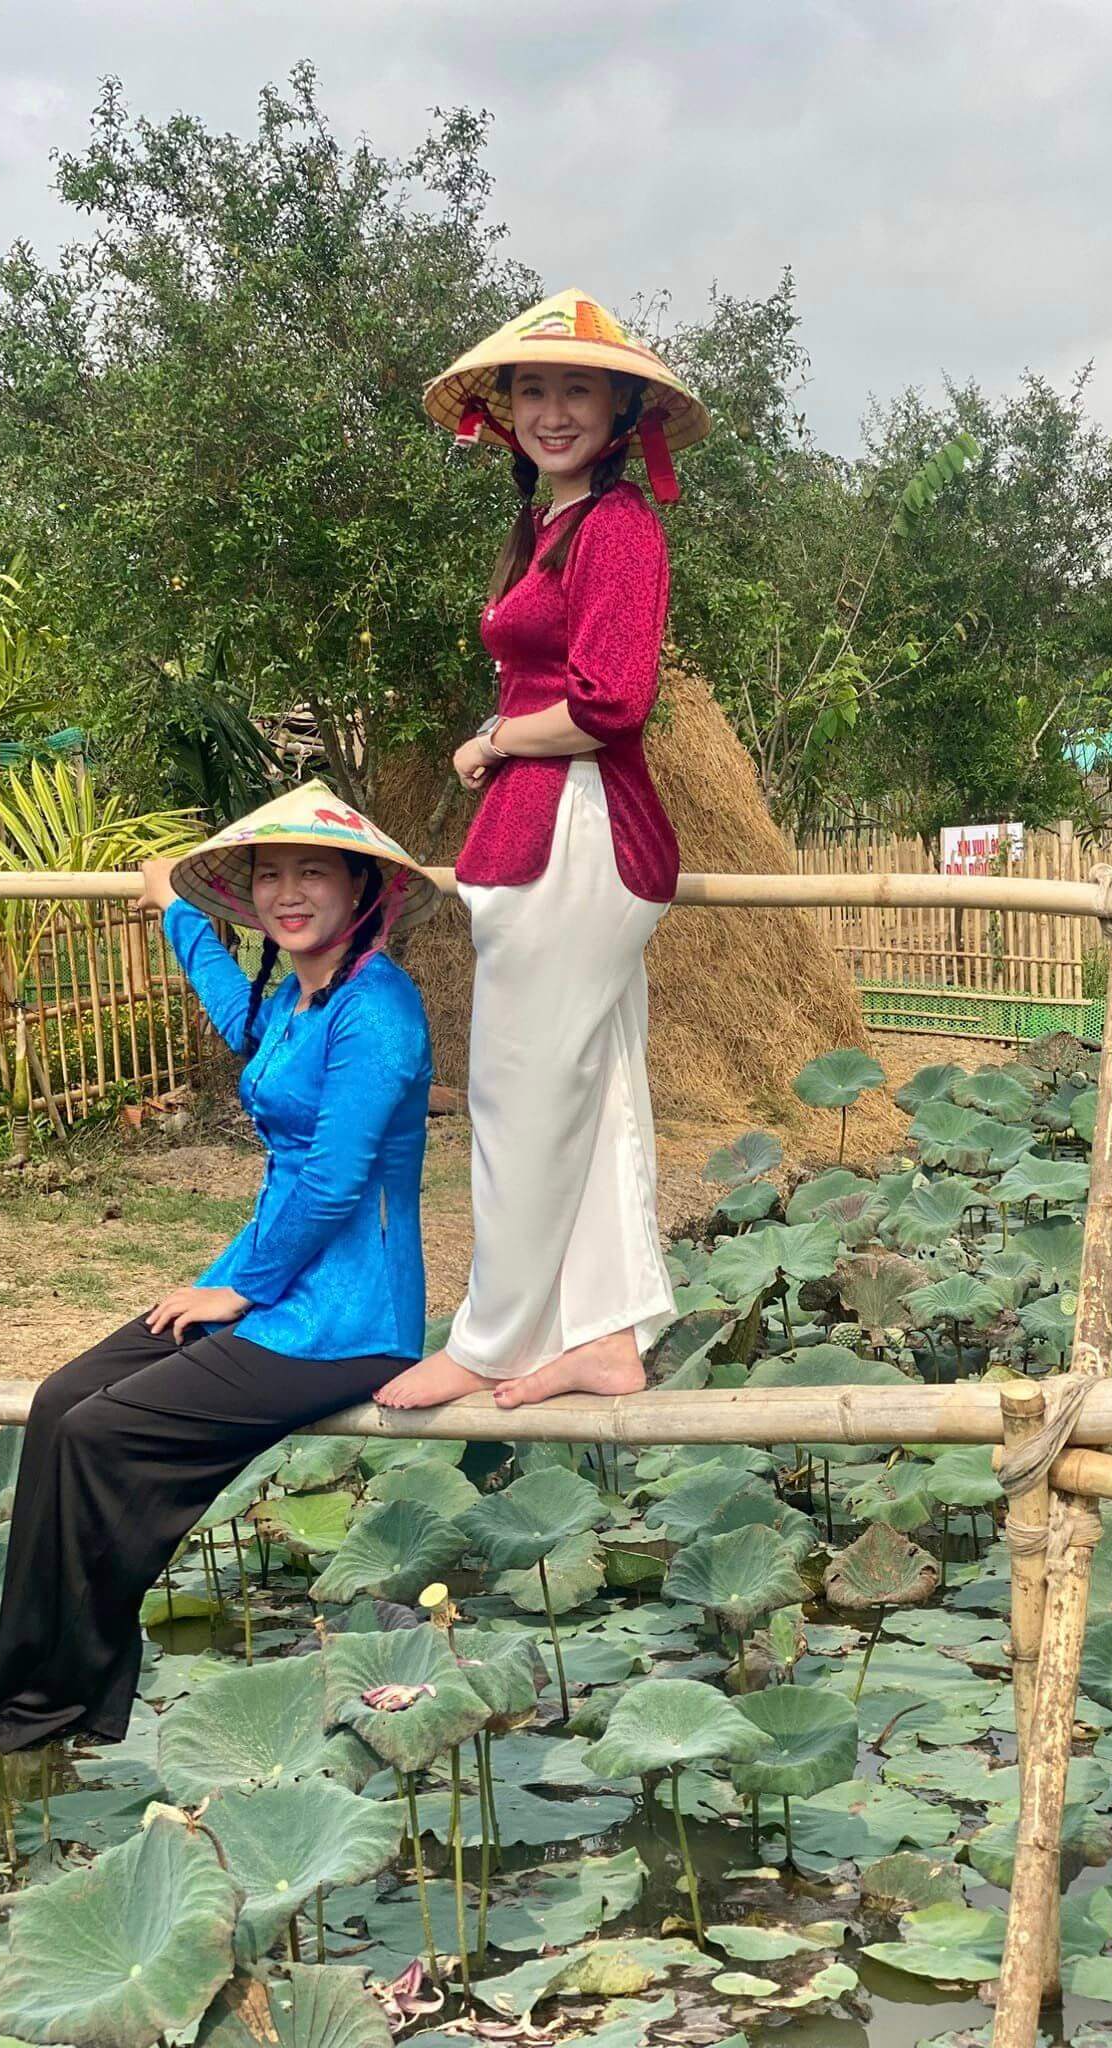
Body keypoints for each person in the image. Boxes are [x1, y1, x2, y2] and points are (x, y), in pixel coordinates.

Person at [0, 783, 436, 1772]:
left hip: (345, 1315)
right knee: (58, 1401)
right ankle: (57, 1679)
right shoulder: (303, 996)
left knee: (101, 1435)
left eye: (313, 871)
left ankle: (18, 1697)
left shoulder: (378, 1008)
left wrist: (241, 1289)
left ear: (361, 886)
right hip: (267, 1279)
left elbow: (340, 1176)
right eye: (269, 874)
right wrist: (177, 911)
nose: (288, 891)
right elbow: (241, 1025)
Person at [375, 287, 710, 1415]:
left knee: (519, 1094)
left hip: (579, 822)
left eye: (578, 387)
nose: (553, 409)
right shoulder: (554, 524)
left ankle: (490, 1339)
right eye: (532, 388)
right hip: (550, 827)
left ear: (622, 408)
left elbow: (612, 701)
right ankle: (610, 1336)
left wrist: (491, 740)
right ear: (504, 410)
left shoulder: (617, 526)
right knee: (594, 1083)